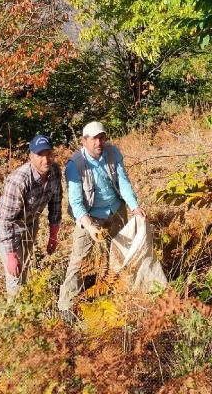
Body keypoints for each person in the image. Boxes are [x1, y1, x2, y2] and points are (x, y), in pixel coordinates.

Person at [57, 121, 145, 317]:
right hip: (90, 217)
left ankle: (120, 291)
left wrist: (135, 207)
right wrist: (89, 227)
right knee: (80, 260)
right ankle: (66, 306)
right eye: (94, 138)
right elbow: (76, 202)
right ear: (84, 141)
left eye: (101, 137)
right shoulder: (75, 165)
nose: (99, 142)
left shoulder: (112, 153)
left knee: (122, 252)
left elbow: (123, 182)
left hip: (116, 210)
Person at [0, 134, 62, 297]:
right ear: (31, 156)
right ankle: (15, 316)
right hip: (7, 227)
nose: (46, 160)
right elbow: (7, 221)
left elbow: (56, 205)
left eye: (49, 154)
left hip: (30, 223)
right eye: (40, 155)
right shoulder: (19, 180)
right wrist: (11, 255)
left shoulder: (55, 172)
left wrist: (53, 235)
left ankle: (25, 306)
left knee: (25, 267)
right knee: (14, 275)